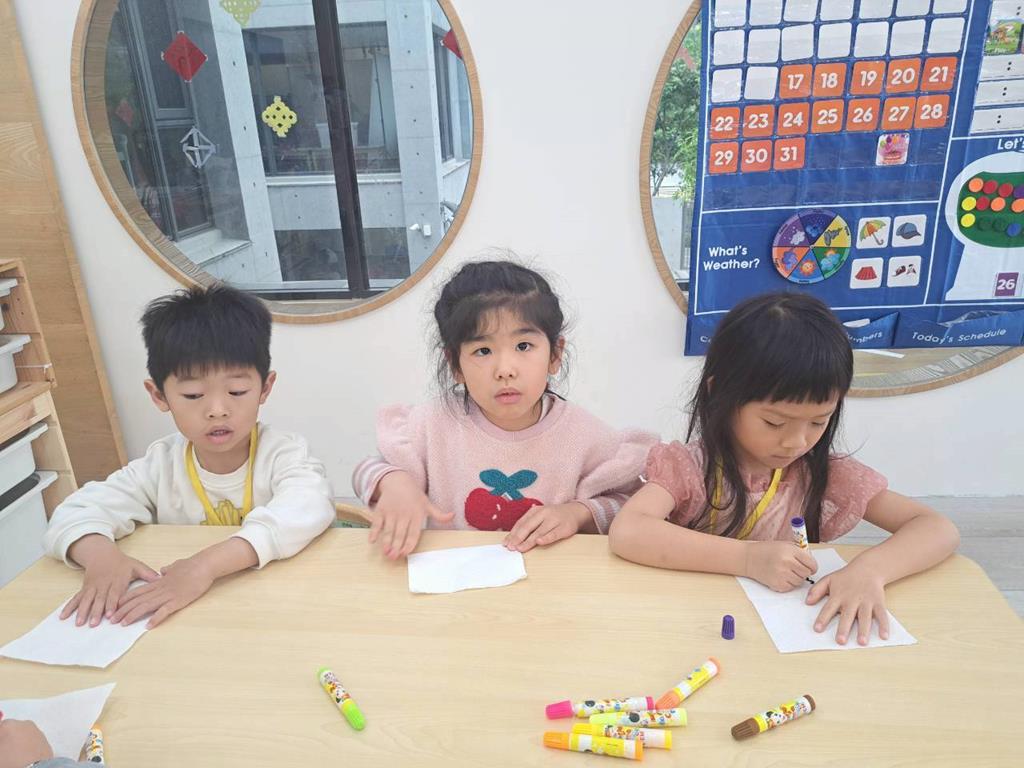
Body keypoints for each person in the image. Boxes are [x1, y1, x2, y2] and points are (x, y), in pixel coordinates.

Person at [609, 292, 960, 645]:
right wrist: (748, 558)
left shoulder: (822, 472)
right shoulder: (688, 467)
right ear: (720, 393)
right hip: (691, 625)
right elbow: (629, 531)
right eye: (775, 423)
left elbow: (936, 528)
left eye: (818, 422)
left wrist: (870, 571)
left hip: (780, 636)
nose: (797, 442)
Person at [43, 285, 335, 628]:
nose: (217, 410)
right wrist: (102, 559)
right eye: (194, 395)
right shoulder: (160, 466)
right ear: (159, 395)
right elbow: (73, 512)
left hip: (274, 614)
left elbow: (310, 506)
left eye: (237, 391)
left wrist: (204, 567)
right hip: (188, 623)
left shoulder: (284, 454)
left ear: (265, 388)